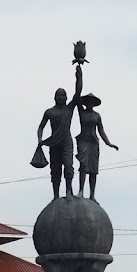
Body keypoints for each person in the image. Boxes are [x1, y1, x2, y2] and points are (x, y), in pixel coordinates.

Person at [35, 64, 83, 199]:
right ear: (55, 97)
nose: (61, 97)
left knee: (68, 166)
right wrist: (40, 139)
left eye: (63, 95)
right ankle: (55, 195)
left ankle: (69, 191)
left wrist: (79, 76)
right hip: (54, 143)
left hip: (66, 141)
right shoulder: (50, 112)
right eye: (58, 95)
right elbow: (41, 127)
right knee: (55, 170)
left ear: (66, 98)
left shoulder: (69, 108)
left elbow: (78, 92)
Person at [75, 93, 118, 200]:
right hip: (83, 140)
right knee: (83, 166)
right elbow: (77, 97)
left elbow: (101, 130)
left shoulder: (97, 115)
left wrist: (108, 143)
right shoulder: (81, 112)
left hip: (94, 142)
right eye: (88, 101)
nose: (90, 103)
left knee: (93, 169)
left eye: (92, 101)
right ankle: (81, 190)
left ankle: (92, 195)